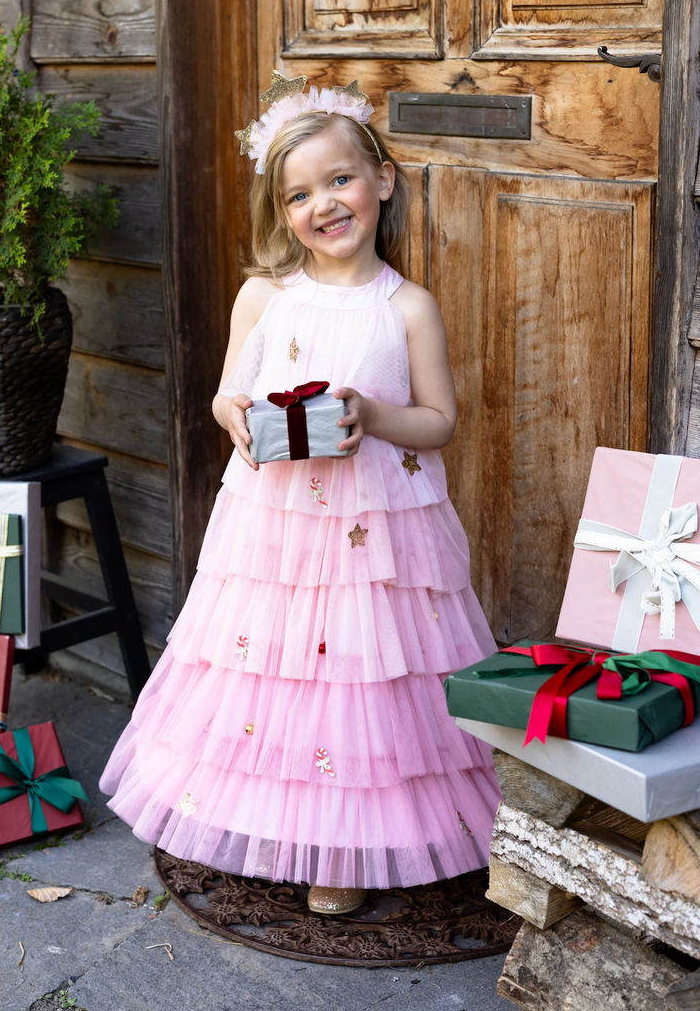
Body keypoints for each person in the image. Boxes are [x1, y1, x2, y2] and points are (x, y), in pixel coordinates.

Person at [100, 73, 501, 916]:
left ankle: (344, 848)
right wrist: (235, 417)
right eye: (298, 194)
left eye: (339, 179)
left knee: (361, 680)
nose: (323, 204)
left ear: (382, 180)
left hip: (375, 530)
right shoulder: (266, 296)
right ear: (281, 212)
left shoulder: (409, 309)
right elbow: (225, 394)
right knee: (271, 672)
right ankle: (263, 817)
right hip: (276, 524)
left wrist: (374, 414)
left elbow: (440, 424)